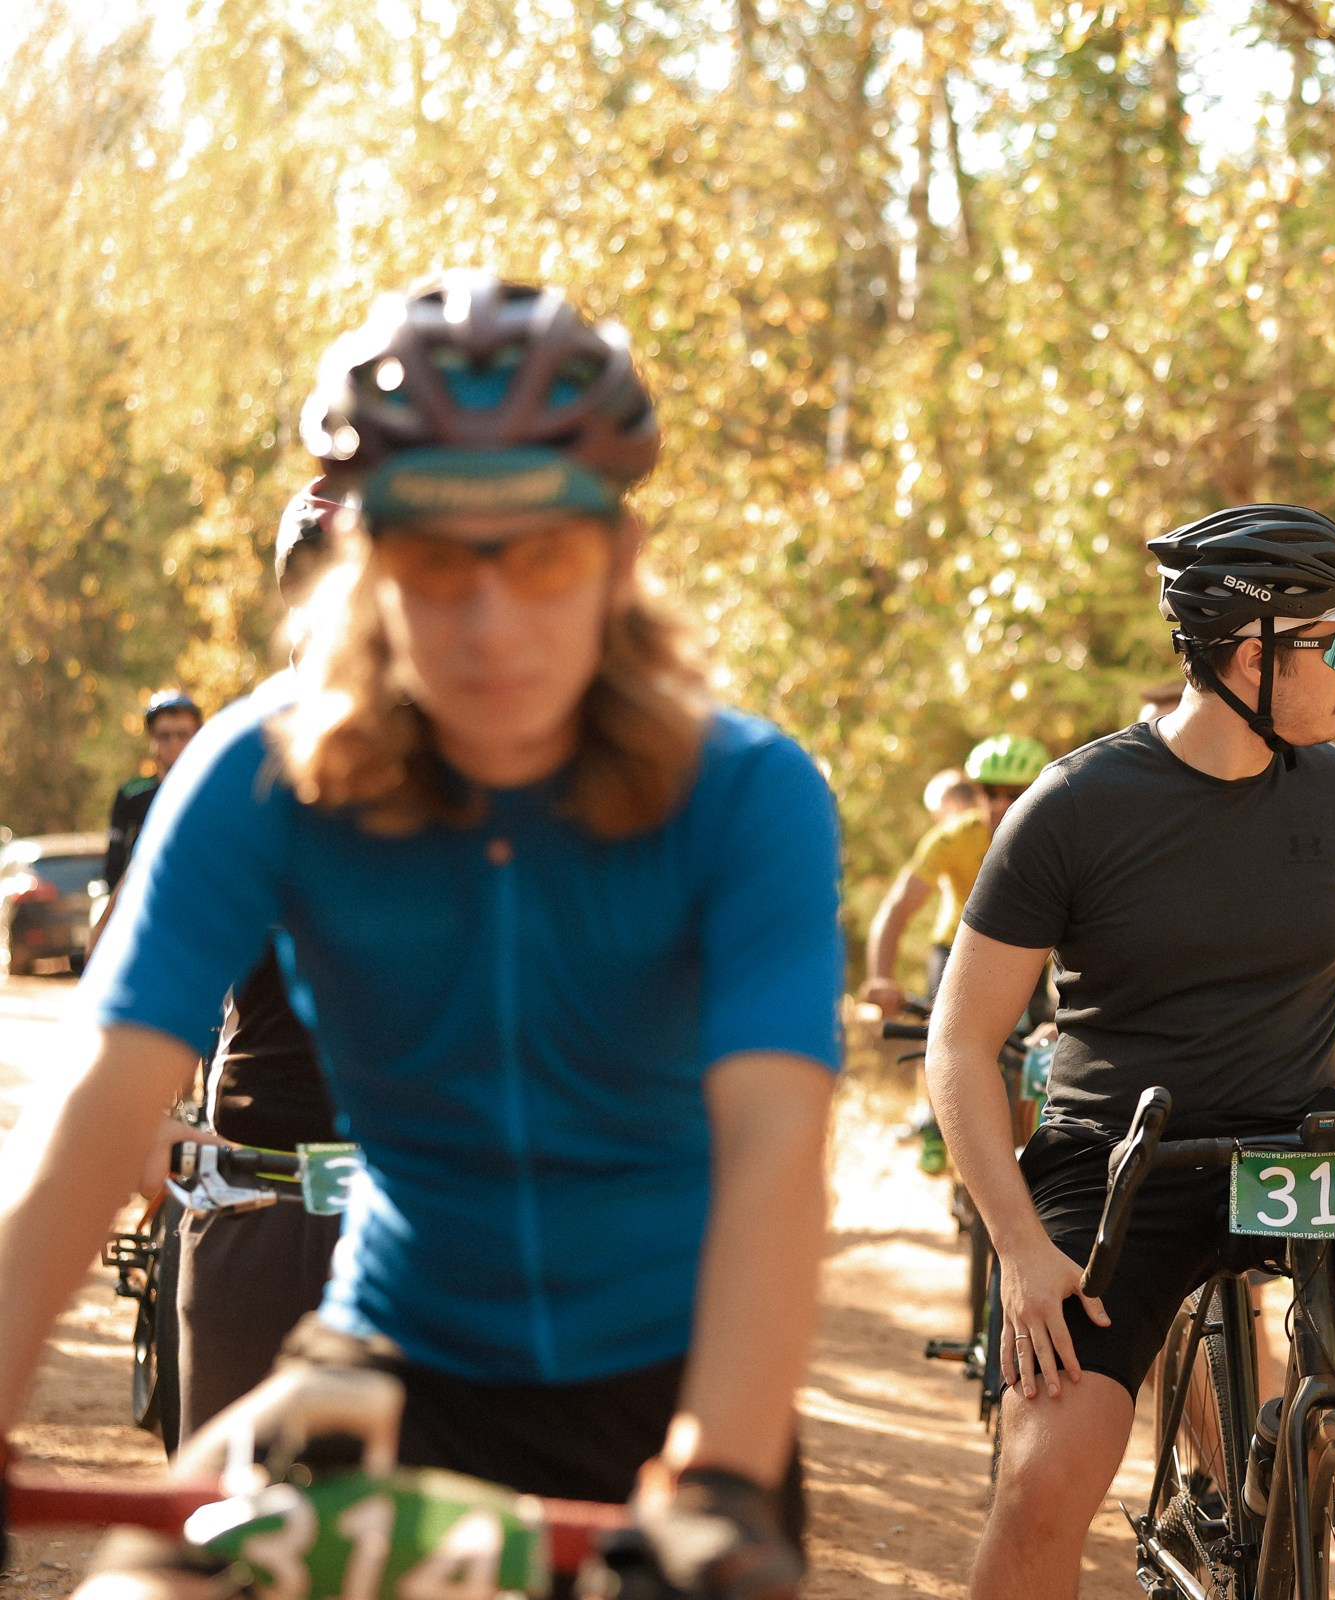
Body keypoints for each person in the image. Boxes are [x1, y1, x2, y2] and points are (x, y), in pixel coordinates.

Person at [0, 269, 840, 1598]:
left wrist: (725, 1471)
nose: (490, 623)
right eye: (436, 563)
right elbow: (106, 1097)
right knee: (138, 1586)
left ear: (618, 562)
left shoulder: (747, 791)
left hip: (679, 1390)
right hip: (392, 1370)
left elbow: (778, 1152)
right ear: (366, 566)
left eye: (544, 558)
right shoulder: (258, 773)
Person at [927, 503, 1335, 1600]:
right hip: (1121, 1171)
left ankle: (1304, 1481)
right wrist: (1019, 1248)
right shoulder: (1074, 806)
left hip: (1298, 1146)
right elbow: (960, 1039)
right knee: (1044, 1487)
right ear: (1253, 654)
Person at [170, 483, 347, 1444]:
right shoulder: (240, 755)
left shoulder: (493, 772)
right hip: (260, 1189)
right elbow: (123, 1019)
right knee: (216, 1532)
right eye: (319, 579)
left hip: (438, 1225)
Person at [864, 734, 1050, 1173]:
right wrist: (880, 977)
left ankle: (1043, 1138)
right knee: (941, 1031)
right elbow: (896, 909)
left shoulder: (1053, 839)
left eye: (1015, 794)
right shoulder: (952, 839)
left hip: (1027, 953)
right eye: (991, 793)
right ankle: (934, 1117)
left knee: (1037, 1046)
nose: (1001, 806)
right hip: (955, 949)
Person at [101, 691, 204, 896]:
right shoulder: (131, 794)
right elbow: (114, 862)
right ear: (152, 739)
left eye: (183, 735)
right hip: (147, 901)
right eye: (164, 736)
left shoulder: (213, 791)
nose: (174, 743)